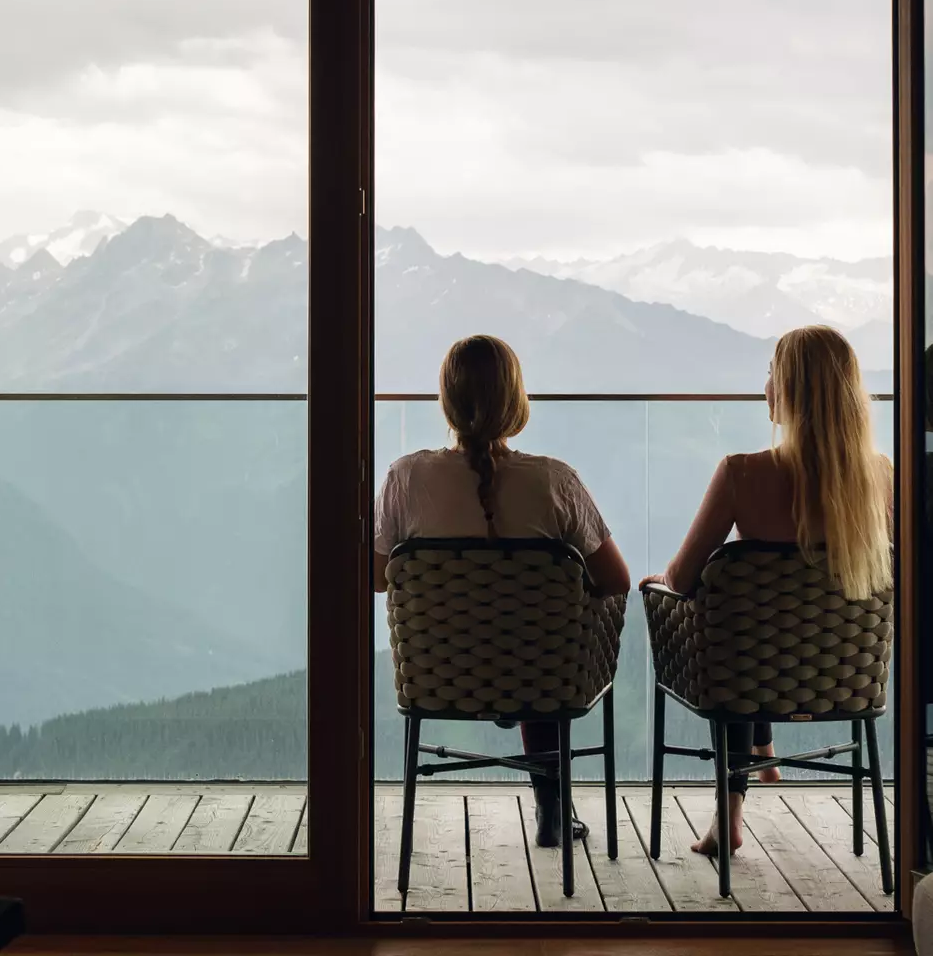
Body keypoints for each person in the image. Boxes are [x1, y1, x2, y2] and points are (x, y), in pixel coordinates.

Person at [640, 325, 893, 858]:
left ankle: (728, 815)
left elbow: (684, 579)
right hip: (845, 671)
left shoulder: (742, 474)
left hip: (752, 668)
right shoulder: (881, 479)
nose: (764, 386)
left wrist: (657, 582)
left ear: (791, 388)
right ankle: (764, 749)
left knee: (736, 626)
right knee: (757, 620)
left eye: (770, 374)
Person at [374, 333, 631, 848]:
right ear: (516, 402)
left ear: (446, 400)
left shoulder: (406, 477)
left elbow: (375, 577)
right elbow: (616, 581)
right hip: (541, 670)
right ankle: (552, 806)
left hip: (442, 671)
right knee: (540, 647)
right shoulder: (556, 481)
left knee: (512, 646)